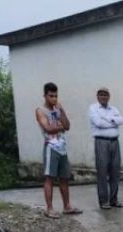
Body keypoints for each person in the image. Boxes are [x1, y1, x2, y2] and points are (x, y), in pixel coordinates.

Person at [35, 82, 82, 219]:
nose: (54, 99)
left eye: (56, 96)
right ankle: (49, 209)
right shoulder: (40, 110)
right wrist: (60, 127)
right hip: (50, 146)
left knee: (64, 178)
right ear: (45, 96)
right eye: (51, 96)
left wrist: (62, 111)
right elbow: (48, 128)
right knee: (49, 178)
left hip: (62, 146)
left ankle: (67, 206)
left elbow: (67, 126)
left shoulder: (57, 109)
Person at [88, 87, 123, 210]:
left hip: (115, 142)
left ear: (109, 96)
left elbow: (121, 120)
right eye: (101, 95)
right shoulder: (93, 108)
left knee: (115, 171)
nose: (104, 97)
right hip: (101, 142)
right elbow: (98, 123)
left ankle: (114, 199)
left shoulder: (113, 109)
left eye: (106, 95)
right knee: (102, 172)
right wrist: (113, 122)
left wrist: (108, 119)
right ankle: (104, 200)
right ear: (97, 96)